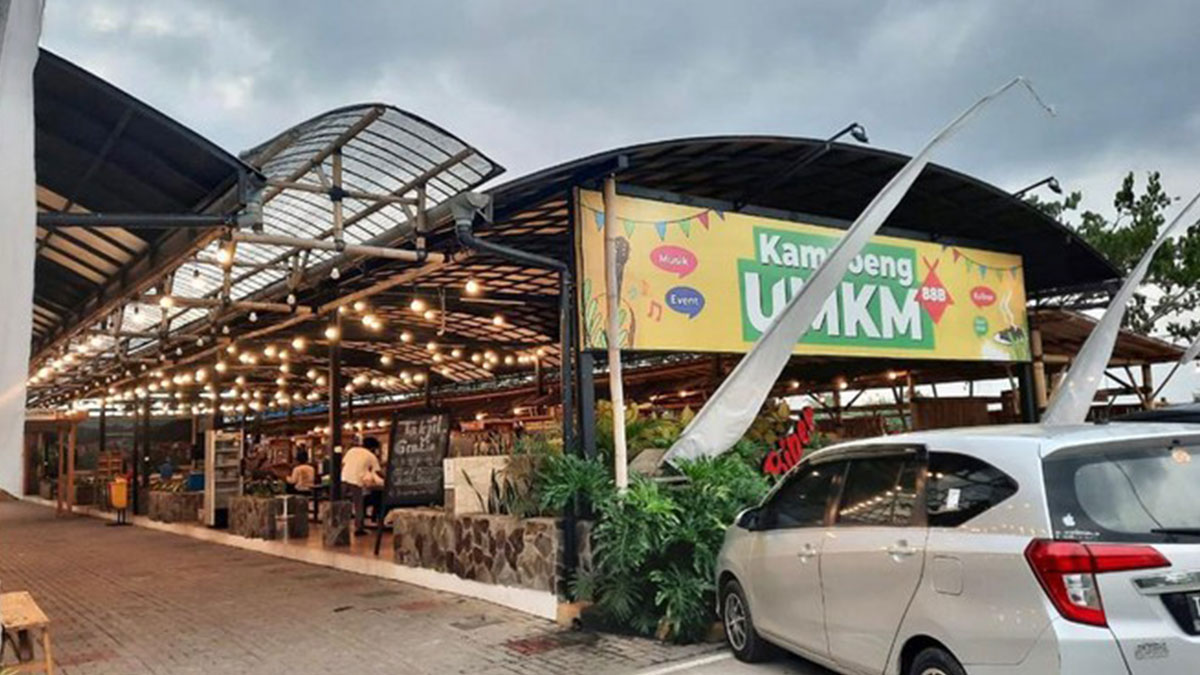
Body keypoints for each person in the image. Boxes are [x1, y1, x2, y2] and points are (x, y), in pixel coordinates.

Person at [340, 437, 383, 535]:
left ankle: (340, 525)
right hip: (356, 480)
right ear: (373, 448)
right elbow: (378, 472)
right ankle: (359, 528)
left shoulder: (351, 450)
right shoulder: (371, 456)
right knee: (358, 504)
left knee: (342, 503)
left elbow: (343, 464)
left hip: (344, 478)